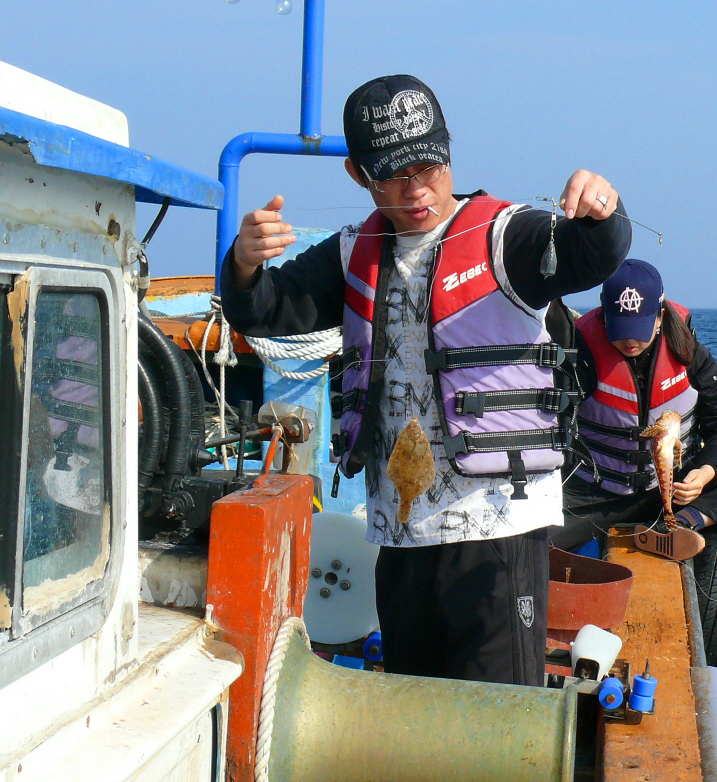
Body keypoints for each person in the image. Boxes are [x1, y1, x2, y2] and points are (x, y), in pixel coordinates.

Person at [221, 74, 632, 686]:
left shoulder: (507, 237)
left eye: (428, 166)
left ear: (448, 152)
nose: (415, 190)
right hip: (399, 534)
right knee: (412, 709)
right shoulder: (351, 254)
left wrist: (602, 211)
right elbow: (267, 308)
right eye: (392, 175)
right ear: (358, 175)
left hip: (499, 527)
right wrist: (244, 265)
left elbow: (591, 254)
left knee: (497, 715)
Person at [550, 259, 717, 560]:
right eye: (620, 328)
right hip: (597, 496)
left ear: (660, 316)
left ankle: (686, 523)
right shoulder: (580, 354)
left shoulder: (692, 355)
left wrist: (705, 474)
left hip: (677, 490)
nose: (629, 340)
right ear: (603, 315)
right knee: (519, 538)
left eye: (638, 329)